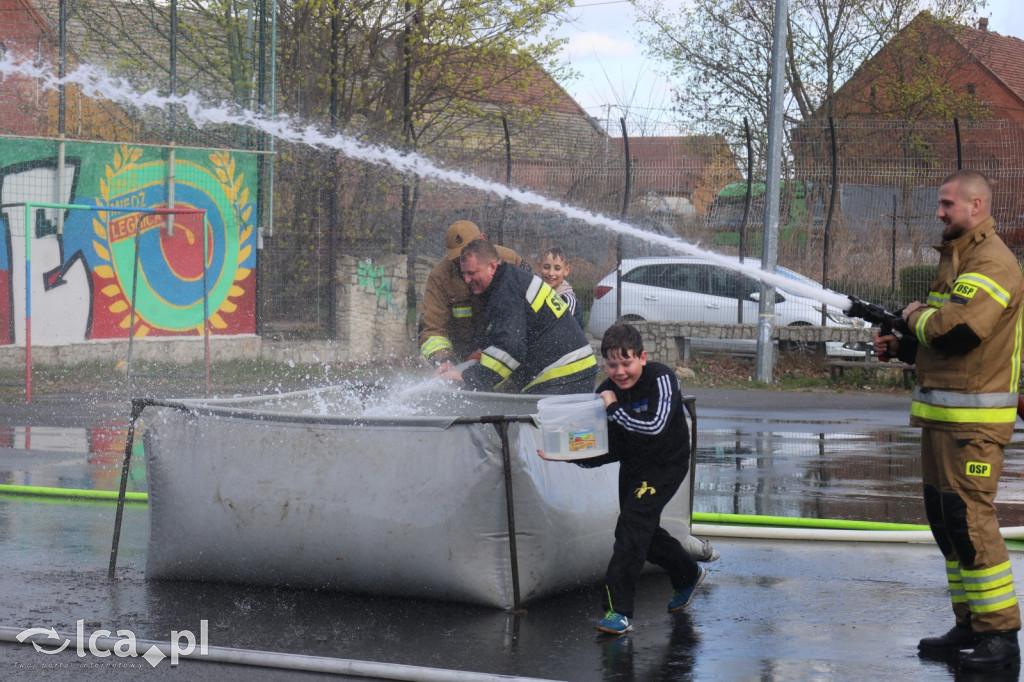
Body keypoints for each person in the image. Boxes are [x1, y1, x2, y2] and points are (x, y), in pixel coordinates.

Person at [874, 169, 1023, 671]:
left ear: (976, 206)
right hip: (942, 421)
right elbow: (938, 341)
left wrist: (912, 315)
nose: (939, 213)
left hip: (973, 428)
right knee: (948, 524)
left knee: (971, 522)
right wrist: (904, 345)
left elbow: (958, 330)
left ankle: (1000, 636)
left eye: (946, 204)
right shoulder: (957, 259)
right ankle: (971, 623)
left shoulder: (994, 263)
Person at [541, 323, 705, 635]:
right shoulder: (606, 391)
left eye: (626, 363)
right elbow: (606, 445)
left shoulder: (662, 378)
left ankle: (619, 612)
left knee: (631, 529)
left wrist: (613, 408)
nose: (620, 372)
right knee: (639, 530)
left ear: (642, 357)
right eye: (613, 364)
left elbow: (655, 427)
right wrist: (568, 454)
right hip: (635, 466)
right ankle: (687, 574)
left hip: (666, 464)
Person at [439, 238, 598, 394]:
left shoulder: (507, 291)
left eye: (472, 273)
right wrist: (480, 351)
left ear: (492, 267)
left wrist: (469, 377)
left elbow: (510, 349)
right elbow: (505, 333)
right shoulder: (508, 281)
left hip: (565, 375)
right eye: (464, 274)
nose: (467, 280)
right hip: (570, 373)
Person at [419, 220, 529, 368]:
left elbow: (529, 310)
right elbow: (433, 328)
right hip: (466, 357)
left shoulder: (509, 261)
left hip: (512, 353)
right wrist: (444, 360)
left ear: (483, 239)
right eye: (458, 259)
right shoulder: (440, 277)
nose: (464, 261)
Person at [538, 246, 584, 330]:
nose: (551, 273)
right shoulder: (534, 294)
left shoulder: (567, 300)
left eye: (557, 268)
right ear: (539, 266)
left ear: (566, 270)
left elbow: (564, 333)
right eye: (546, 267)